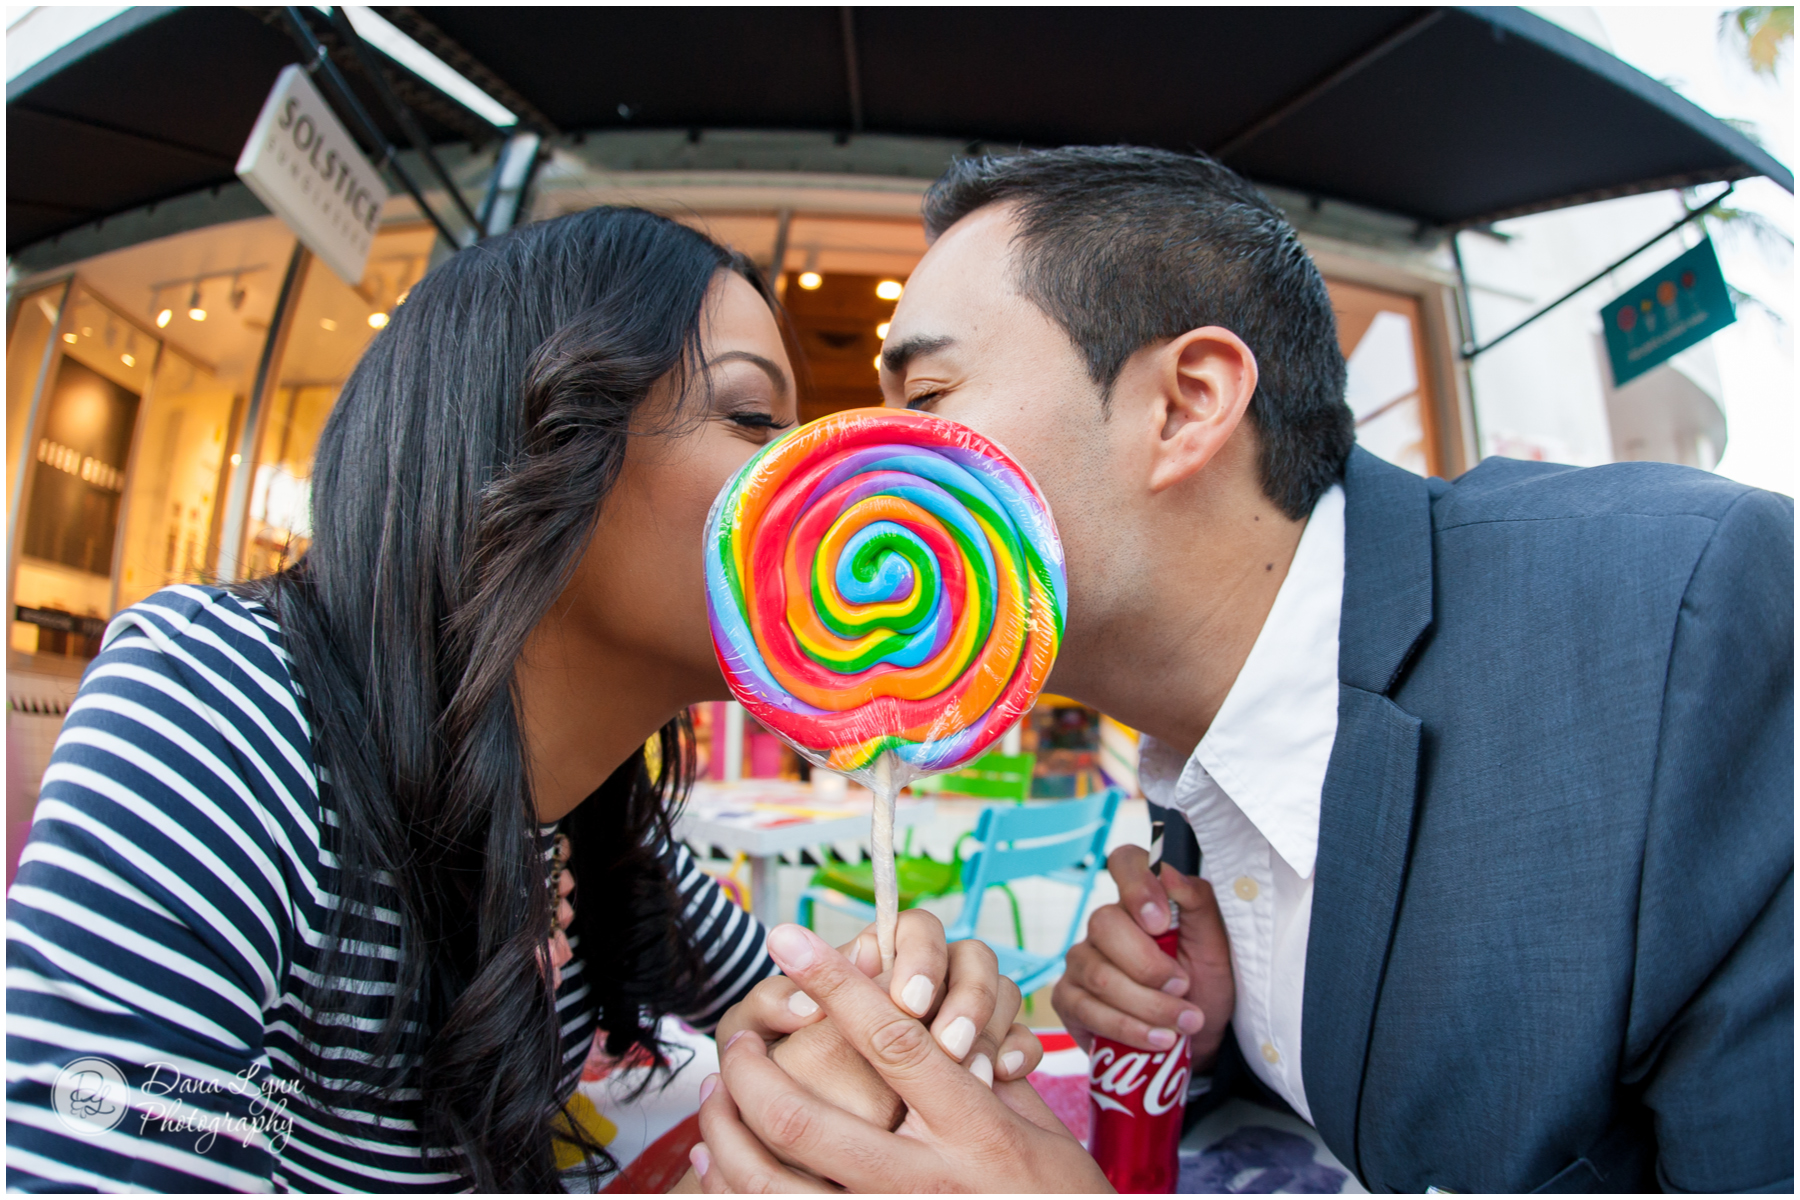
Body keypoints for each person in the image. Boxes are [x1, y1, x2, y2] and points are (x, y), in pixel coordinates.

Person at [691, 146, 1793, 1193]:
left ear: (1184, 405)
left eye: (928, 400)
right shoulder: (1193, 751)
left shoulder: (1686, 625)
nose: (863, 460)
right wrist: (1232, 1039)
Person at [4, 206, 1041, 1193]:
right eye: (752, 417)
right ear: (539, 444)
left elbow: (785, 1006)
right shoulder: (221, 706)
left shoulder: (589, 822)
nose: (814, 476)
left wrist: (909, 1012)